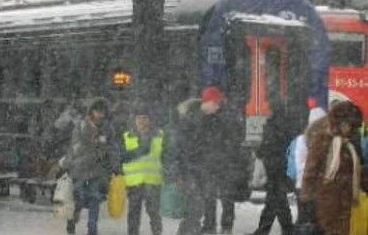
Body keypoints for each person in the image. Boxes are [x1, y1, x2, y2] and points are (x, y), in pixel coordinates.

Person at [171, 86, 233, 235]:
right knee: (193, 210)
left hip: (204, 170)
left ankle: (200, 229)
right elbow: (183, 148)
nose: (218, 107)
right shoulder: (192, 120)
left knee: (199, 208)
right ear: (208, 101)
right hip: (192, 171)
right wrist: (181, 170)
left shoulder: (212, 120)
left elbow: (215, 145)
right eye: (216, 103)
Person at [301, 101, 363, 235]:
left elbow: (356, 170)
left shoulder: (350, 144)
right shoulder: (323, 141)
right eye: (345, 124)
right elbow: (310, 171)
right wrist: (307, 199)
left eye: (350, 125)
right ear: (337, 123)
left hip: (346, 202)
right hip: (328, 201)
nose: (348, 128)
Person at [62, 98, 111, 235]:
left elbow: (109, 148)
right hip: (79, 169)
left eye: (102, 111)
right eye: (97, 110)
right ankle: (71, 221)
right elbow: (76, 147)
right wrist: (95, 147)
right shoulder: (81, 126)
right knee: (79, 198)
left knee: (94, 198)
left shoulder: (106, 128)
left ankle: (92, 230)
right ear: (92, 111)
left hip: (96, 171)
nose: (100, 114)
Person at [247, 100, 294, 235]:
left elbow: (269, 144)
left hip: (274, 167)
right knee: (276, 200)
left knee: (275, 200)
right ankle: (284, 229)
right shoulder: (285, 124)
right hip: (281, 166)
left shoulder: (272, 124)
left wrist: (259, 151)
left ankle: (269, 230)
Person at [117, 103, 164, 235]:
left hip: (153, 181)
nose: (141, 121)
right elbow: (121, 156)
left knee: (154, 213)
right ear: (134, 119)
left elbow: (166, 155)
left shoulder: (160, 135)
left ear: (149, 119)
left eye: (144, 118)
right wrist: (138, 152)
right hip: (134, 182)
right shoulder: (127, 136)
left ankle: (156, 232)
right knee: (133, 214)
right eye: (139, 118)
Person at [292, 107, 327, 225]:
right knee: (305, 220)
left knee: (313, 221)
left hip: (316, 186)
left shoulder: (324, 139)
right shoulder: (302, 140)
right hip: (304, 185)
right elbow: (300, 164)